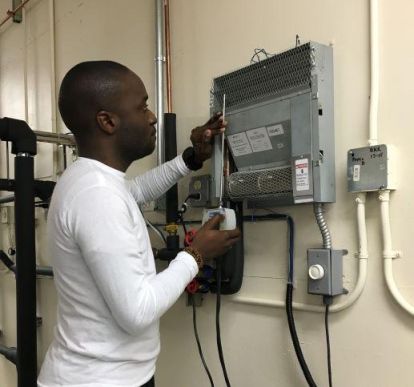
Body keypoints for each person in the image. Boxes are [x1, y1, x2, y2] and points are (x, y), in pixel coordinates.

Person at [37, 61, 241, 387]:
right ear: (107, 121)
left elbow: (135, 193)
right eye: (143, 106)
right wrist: (195, 255)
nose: (152, 116)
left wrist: (190, 159)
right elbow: (137, 312)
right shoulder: (96, 195)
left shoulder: (91, 180)